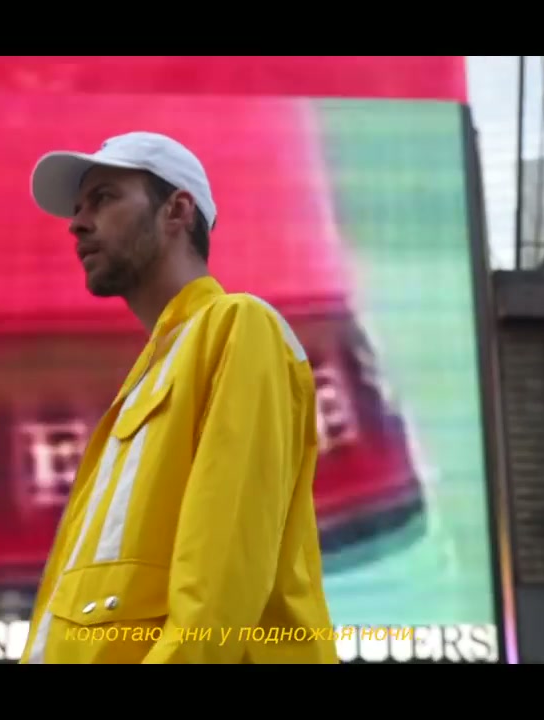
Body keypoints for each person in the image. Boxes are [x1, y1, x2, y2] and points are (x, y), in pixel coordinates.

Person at [18, 130, 338, 664]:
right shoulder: (151, 375)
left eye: (103, 198)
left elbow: (218, 590)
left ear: (177, 211)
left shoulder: (238, 326)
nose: (77, 223)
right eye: (77, 208)